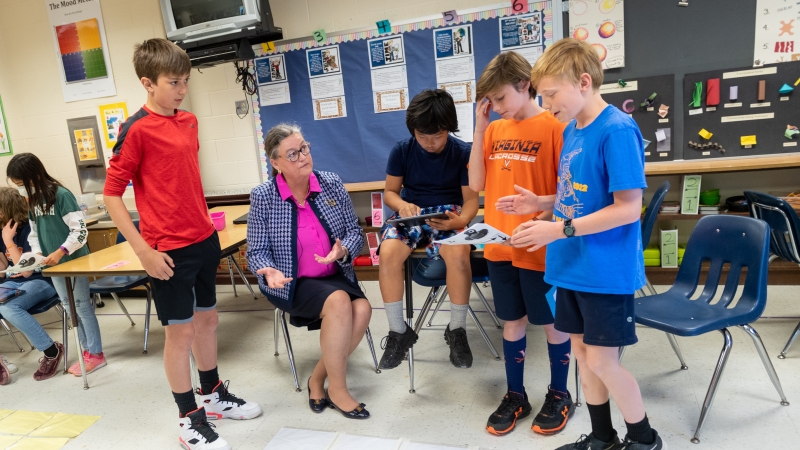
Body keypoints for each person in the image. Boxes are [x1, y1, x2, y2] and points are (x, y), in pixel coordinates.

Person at [505, 38, 665, 449]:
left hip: (603, 270)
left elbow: (628, 208)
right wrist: (541, 202)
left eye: (552, 94)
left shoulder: (616, 130)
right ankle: (602, 437)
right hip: (572, 265)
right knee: (582, 355)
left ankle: (644, 438)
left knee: (601, 359)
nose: (547, 103)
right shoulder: (574, 128)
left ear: (584, 81)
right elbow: (580, 194)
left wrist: (558, 229)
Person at [104, 38, 261, 450]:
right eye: (173, 81)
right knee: (181, 334)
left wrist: (207, 231)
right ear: (147, 83)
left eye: (186, 80)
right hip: (165, 252)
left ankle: (211, 396)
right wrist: (143, 250)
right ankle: (188, 419)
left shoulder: (189, 121)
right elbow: (111, 195)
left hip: (204, 239)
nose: (182, 88)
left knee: (208, 320)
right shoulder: (135, 129)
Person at [469, 51, 573, 436]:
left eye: (499, 99)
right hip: (499, 246)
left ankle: (560, 393)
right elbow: (477, 184)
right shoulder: (494, 129)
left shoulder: (554, 125)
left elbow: (567, 192)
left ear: (524, 86)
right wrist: (480, 130)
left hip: (540, 247)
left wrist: (543, 220)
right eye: (490, 101)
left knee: (551, 325)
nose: (495, 107)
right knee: (511, 322)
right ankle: (516, 395)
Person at [247, 123, 372, 419]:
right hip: (291, 281)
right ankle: (338, 391)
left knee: (364, 309)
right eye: (292, 154)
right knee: (340, 301)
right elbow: (256, 251)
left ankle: (317, 379)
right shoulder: (264, 196)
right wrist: (267, 271)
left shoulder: (330, 182)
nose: (303, 156)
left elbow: (354, 231)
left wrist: (342, 251)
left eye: (304, 148)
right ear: (276, 163)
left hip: (333, 275)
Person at [377, 89, 478, 370]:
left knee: (458, 255)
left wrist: (459, 222)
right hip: (412, 211)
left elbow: (470, 201)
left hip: (448, 213)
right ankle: (398, 331)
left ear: (449, 129)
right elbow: (390, 193)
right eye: (423, 136)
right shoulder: (402, 150)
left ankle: (456, 329)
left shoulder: (462, 152)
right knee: (388, 253)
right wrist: (403, 205)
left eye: (437, 136)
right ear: (413, 131)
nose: (430, 143)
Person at [6, 154, 106, 377]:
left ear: (34, 176)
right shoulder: (32, 201)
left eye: (22, 185)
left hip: (73, 261)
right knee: (70, 307)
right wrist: (35, 256)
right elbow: (34, 233)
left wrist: (61, 251)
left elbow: (80, 232)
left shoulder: (61, 196)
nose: (21, 190)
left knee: (81, 306)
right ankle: (86, 351)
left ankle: (96, 354)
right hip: (53, 266)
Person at [0, 187, 63, 383]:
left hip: (40, 280)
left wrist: (8, 241)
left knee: (9, 308)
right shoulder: (1, 230)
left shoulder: (30, 228)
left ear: (7, 209)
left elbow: (26, 270)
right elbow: (3, 267)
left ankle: (52, 351)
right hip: (13, 281)